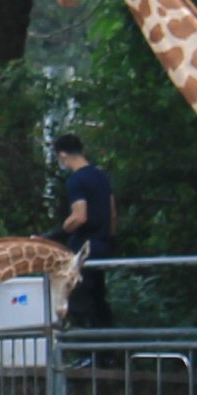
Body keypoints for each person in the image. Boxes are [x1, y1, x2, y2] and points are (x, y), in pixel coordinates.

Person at [53, 132, 113, 327]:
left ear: (62, 155)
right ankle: (108, 354)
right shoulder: (101, 177)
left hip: (83, 249)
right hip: (102, 246)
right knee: (99, 300)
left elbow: (79, 217)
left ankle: (90, 352)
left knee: (79, 301)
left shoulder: (76, 180)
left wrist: (59, 232)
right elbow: (113, 213)